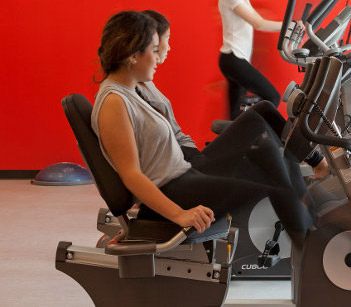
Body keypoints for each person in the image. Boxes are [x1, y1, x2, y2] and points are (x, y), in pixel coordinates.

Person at [92, 11, 311, 243]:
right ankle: (311, 242)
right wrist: (180, 214)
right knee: (274, 178)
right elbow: (131, 175)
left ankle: (311, 229)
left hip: (184, 175)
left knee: (272, 156)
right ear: (133, 55)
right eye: (154, 50)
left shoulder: (131, 89)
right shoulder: (113, 102)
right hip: (175, 191)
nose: (158, 58)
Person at [137, 10, 329, 179]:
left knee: (262, 109)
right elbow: (258, 23)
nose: (169, 47)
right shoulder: (133, 93)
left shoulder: (146, 84)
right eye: (166, 40)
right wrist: (290, 26)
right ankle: (311, 160)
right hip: (187, 164)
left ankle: (308, 158)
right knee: (268, 108)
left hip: (191, 155)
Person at [218, 0, 282, 120]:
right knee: (272, 97)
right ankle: (250, 131)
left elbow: (260, 21)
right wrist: (287, 26)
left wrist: (287, 26)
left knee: (235, 116)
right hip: (233, 59)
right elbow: (259, 24)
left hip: (233, 59)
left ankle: (239, 136)